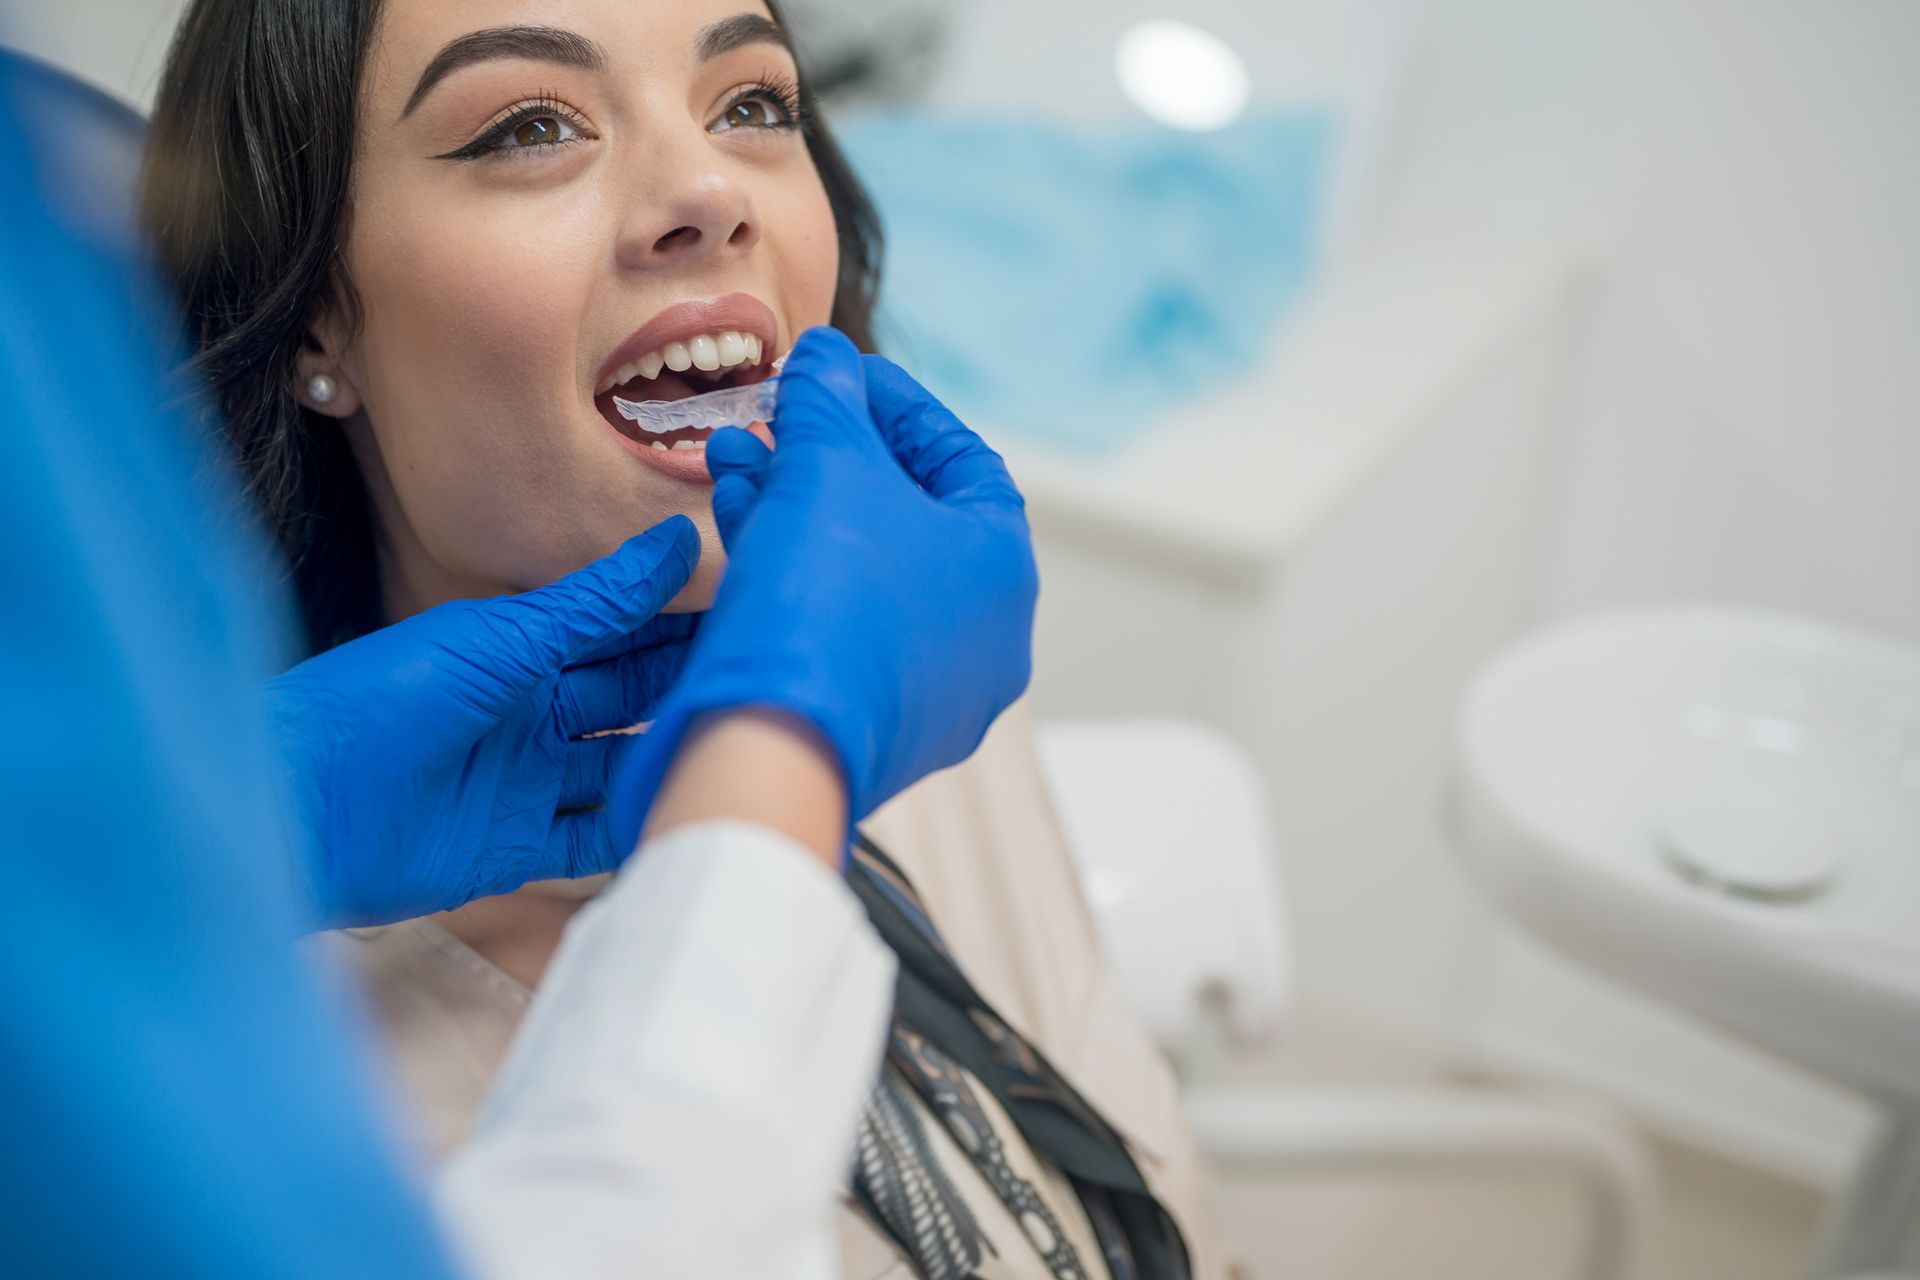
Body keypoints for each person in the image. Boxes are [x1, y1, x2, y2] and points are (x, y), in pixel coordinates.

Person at [142, 0, 1228, 1275]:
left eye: (754, 103)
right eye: (529, 124)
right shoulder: (232, 1101)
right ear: (318, 317)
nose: (711, 187)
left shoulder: (922, 705)